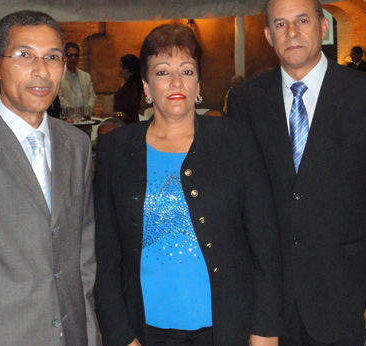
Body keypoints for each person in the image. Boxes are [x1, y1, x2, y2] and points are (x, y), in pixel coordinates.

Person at [227, 0, 366, 346]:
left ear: (323, 27)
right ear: (268, 35)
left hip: (346, 296)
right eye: (280, 24)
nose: (291, 32)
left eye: (302, 20)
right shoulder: (246, 101)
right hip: (272, 301)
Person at [93, 23, 283, 346]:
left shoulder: (235, 140)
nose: (176, 81)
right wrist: (120, 335)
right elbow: (104, 255)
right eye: (162, 72)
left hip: (226, 328)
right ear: (146, 87)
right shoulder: (116, 150)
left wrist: (265, 328)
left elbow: (265, 243)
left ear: (198, 85)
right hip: (145, 332)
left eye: (186, 70)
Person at [0, 10, 99, 345]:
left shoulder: (76, 144)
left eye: (52, 57)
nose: (41, 71)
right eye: (25, 55)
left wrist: (89, 331)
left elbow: (83, 253)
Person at [100, 54, 143, 124]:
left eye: (121, 66)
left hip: (128, 125)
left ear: (129, 70)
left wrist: (109, 114)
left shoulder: (133, 88)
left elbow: (126, 114)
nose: (119, 70)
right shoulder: (126, 85)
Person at [59, 42, 97, 114]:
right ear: (64, 57)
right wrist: (74, 113)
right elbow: (59, 98)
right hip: (68, 116)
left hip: (85, 116)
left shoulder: (86, 76)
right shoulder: (59, 76)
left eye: (76, 56)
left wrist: (87, 111)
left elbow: (92, 96)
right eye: (70, 55)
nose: (73, 58)